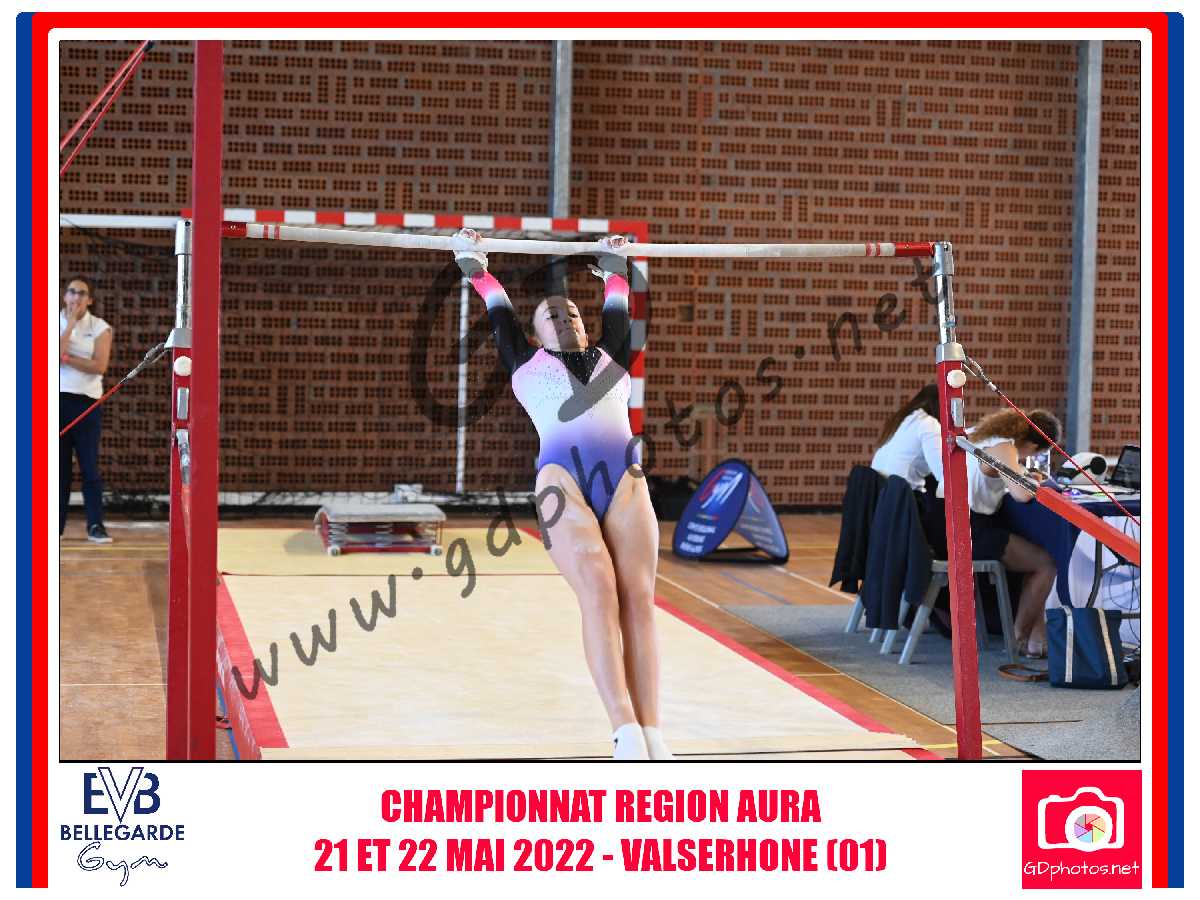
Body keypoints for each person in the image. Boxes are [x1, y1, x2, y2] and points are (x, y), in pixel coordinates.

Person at [451, 229, 670, 761]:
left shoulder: (612, 356)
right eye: (552, 315)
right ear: (534, 334)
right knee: (599, 589)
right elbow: (497, 308)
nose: (565, 317)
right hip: (562, 484)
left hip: (624, 480)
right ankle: (623, 728)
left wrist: (614, 268)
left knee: (639, 599)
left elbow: (617, 302)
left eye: (572, 312)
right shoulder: (523, 362)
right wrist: (476, 265)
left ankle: (654, 734)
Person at [950, 408, 1063, 658]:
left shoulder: (981, 436)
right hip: (970, 531)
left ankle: (1034, 637)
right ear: (1032, 446)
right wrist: (1034, 480)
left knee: (1029, 551)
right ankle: (1018, 638)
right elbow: (1021, 494)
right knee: (1045, 565)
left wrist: (1023, 474)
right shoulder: (1004, 448)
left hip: (949, 522)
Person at [59, 276, 113, 543]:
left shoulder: (100, 327)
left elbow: (99, 366)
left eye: (81, 293)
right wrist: (69, 325)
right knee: (58, 470)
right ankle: (54, 527)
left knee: (89, 467)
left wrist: (65, 358)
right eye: (72, 292)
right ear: (65, 296)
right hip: (57, 402)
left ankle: (95, 526)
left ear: (89, 300)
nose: (76, 297)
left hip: (86, 405)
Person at [871, 384, 944, 492]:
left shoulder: (902, 420)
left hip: (880, 495)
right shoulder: (928, 423)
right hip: (901, 496)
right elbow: (944, 473)